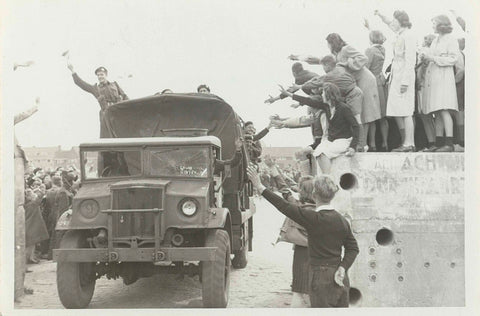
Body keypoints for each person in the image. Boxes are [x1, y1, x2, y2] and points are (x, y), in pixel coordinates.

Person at [247, 168, 359, 308]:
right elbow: (353, 248)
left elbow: (283, 206)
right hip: (340, 275)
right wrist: (343, 267)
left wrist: (260, 187)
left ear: (315, 194)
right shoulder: (342, 220)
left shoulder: (313, 218)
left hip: (320, 275)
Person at [375, 10, 417, 152]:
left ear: (401, 21)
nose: (393, 23)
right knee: (401, 110)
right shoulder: (401, 34)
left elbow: (411, 60)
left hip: (404, 77)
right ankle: (407, 142)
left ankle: (409, 143)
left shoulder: (409, 36)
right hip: (397, 76)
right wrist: (381, 15)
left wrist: (405, 81)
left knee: (406, 111)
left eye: (395, 20)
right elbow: (390, 24)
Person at [420, 15, 460, 152]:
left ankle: (449, 143)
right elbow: (432, 55)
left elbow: (453, 58)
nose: (432, 26)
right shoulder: (436, 40)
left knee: (444, 109)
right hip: (435, 79)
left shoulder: (451, 39)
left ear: (441, 24)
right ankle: (439, 142)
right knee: (437, 111)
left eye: (434, 23)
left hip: (444, 78)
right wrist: (425, 57)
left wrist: (434, 58)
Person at [279, 176, 314, 307]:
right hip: (319, 251)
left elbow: (285, 192)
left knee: (299, 291)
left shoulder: (298, 208)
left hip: (301, 252)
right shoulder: (321, 210)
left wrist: (275, 172)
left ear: (303, 192)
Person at [67, 63, 128, 138]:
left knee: (123, 135)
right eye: (98, 75)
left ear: (106, 75)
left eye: (102, 74)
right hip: (106, 117)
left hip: (118, 114)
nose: (100, 77)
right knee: (108, 138)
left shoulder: (114, 84)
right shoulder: (95, 88)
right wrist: (72, 70)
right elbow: (81, 84)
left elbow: (125, 97)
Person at [312, 83, 359, 174]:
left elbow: (356, 126)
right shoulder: (327, 107)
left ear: (328, 94)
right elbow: (309, 101)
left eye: (323, 93)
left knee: (323, 153)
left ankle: (328, 181)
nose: (321, 95)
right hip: (332, 141)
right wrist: (289, 95)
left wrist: (353, 147)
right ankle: (325, 180)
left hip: (344, 140)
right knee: (317, 152)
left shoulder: (344, 108)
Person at [365, 30, 389, 151]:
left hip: (372, 83)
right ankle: (385, 142)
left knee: (372, 115)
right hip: (381, 81)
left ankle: (373, 144)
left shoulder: (369, 50)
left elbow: (366, 67)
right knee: (383, 116)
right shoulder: (382, 50)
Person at [416, 34, 438, 151]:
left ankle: (431, 142)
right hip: (432, 85)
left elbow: (420, 70)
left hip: (423, 85)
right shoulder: (434, 52)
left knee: (424, 116)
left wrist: (418, 82)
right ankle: (435, 141)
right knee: (430, 116)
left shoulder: (423, 52)